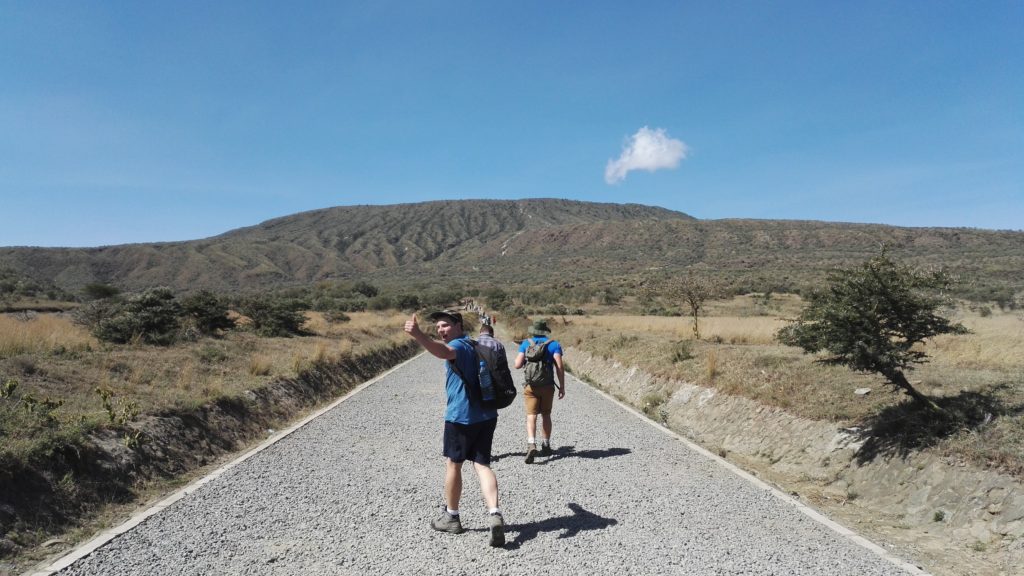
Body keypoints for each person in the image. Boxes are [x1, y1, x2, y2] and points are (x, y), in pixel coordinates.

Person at [404, 310, 505, 547]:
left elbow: (444, 352)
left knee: (454, 464)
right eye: (438, 327)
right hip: (486, 415)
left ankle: (452, 516)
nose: (441, 330)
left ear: (458, 325)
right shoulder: (474, 343)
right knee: (481, 464)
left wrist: (418, 335)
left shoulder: (459, 345)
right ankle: (494, 513)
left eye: (446, 325)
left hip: (461, 417)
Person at [514, 318, 565, 464]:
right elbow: (560, 367)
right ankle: (546, 445)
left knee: (531, 415)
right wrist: (562, 386)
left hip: (531, 386)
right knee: (546, 414)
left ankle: (531, 444)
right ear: (545, 331)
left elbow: (517, 365)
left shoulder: (526, 343)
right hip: (548, 385)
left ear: (533, 331)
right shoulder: (554, 344)